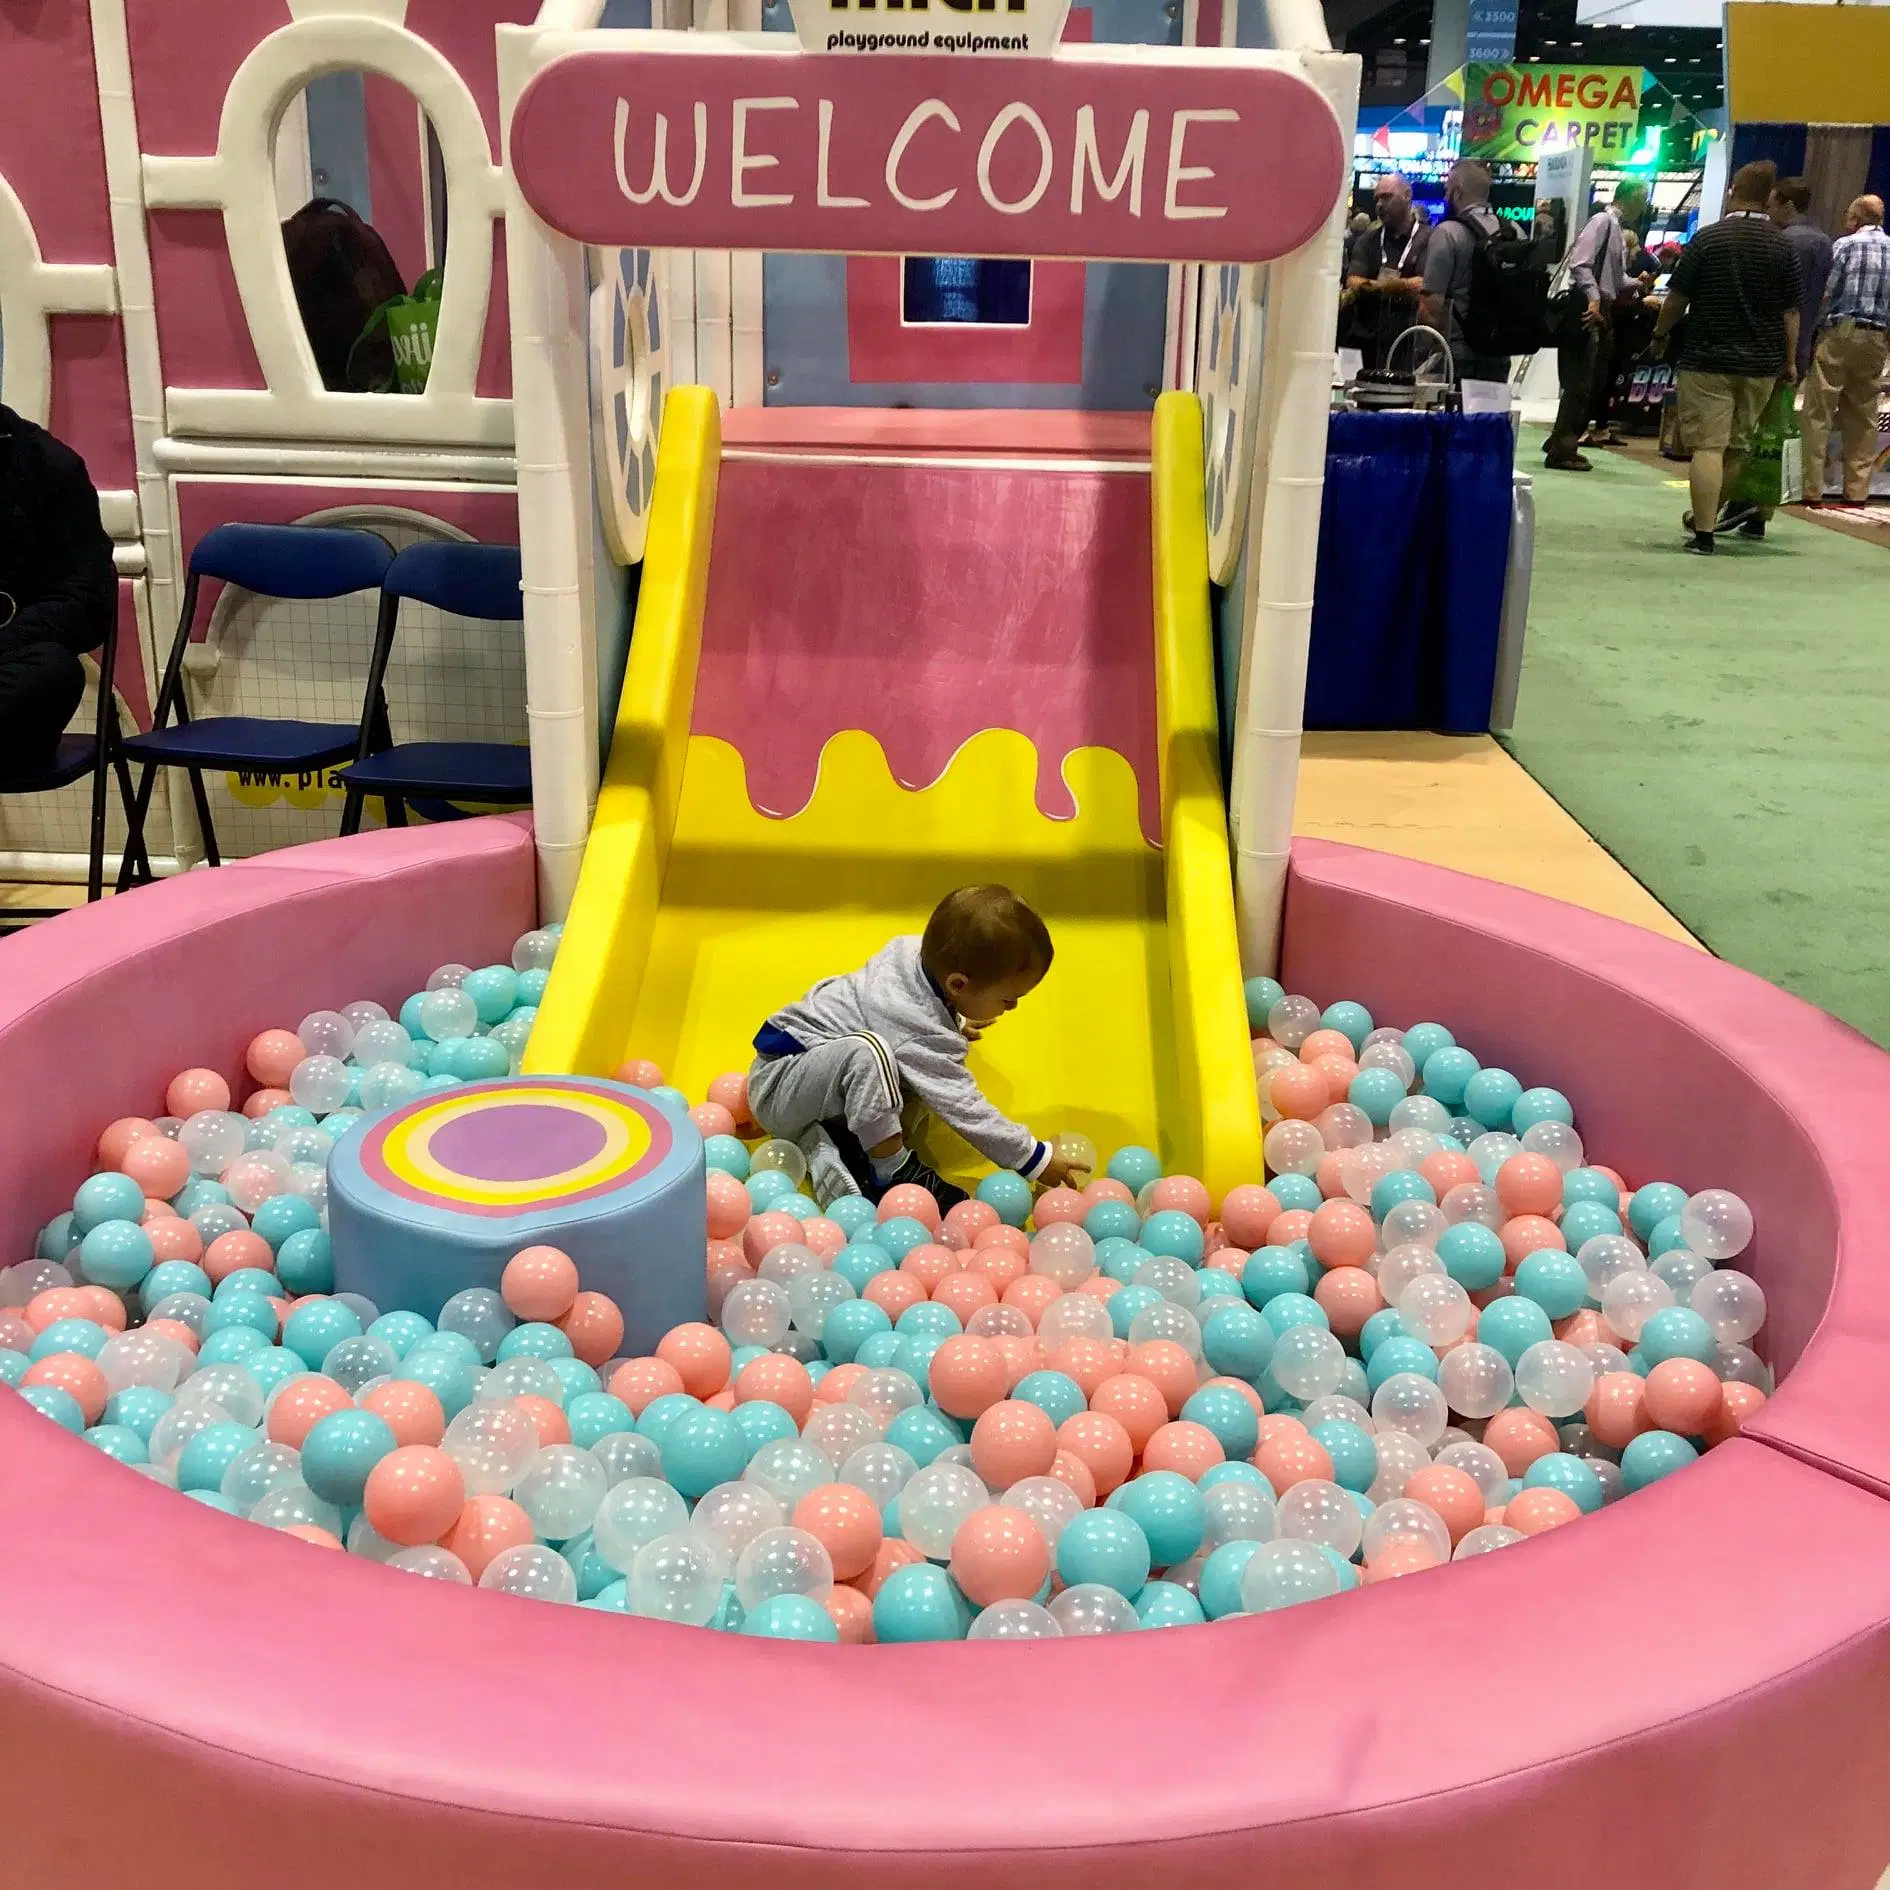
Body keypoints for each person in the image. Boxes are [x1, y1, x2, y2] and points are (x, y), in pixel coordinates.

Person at [745, 884, 1080, 1213]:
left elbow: (900, 1013)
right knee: (869, 1052)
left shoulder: (914, 954)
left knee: (895, 1077)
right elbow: (962, 1104)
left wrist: (953, 1022)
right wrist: (1033, 1157)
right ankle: (891, 1169)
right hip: (780, 1088)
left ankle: (825, 1143)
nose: (1013, 1008)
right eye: (1007, 1001)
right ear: (958, 985)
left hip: (806, 1075)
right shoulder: (916, 1034)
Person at [1651, 161, 1801, 554]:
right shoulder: (1782, 245)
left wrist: (1659, 335)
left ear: (1732, 189)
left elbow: (1677, 298)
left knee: (1708, 447)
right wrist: (1789, 361)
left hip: (1707, 358)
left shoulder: (1708, 239)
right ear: (1770, 196)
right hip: (1761, 363)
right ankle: (1711, 515)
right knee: (1736, 445)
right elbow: (1791, 313)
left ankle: (1703, 533)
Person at [0, 404, 117, 782]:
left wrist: (11, 638)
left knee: (53, 671)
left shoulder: (48, 465)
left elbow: (88, 600)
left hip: (12, 658)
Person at [1544, 180, 1650, 470]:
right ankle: (1563, 447)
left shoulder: (1614, 226)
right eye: (1644, 198)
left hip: (1600, 309)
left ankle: (1561, 440)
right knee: (1581, 381)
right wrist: (1593, 297)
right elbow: (1580, 264)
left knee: (1592, 381)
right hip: (1587, 309)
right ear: (1633, 197)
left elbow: (1612, 280)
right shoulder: (1603, 221)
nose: (1645, 206)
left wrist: (1635, 283)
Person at [1798, 195, 1890, 508]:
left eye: (1848, 214)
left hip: (1841, 331)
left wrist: (1812, 330)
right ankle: (1857, 493)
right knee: (1864, 416)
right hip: (1877, 337)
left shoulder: (1845, 246)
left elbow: (1826, 292)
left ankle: (1812, 489)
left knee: (1818, 411)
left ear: (1858, 218)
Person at [1420, 159, 1513, 388]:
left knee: (1452, 423)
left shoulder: (1447, 233)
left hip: (1457, 354)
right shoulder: (1513, 232)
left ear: (1457, 192)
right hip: (1501, 353)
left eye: (1447, 190)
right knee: (1488, 421)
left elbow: (1430, 305)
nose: (1445, 197)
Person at [1342, 175, 1431, 371]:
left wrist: (1374, 286)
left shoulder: (1429, 238)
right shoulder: (1368, 240)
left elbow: (1424, 285)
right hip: (1367, 342)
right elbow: (1353, 282)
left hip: (1409, 343)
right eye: (1377, 199)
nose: (1380, 205)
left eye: (1387, 197)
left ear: (1407, 196)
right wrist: (1402, 286)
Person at [1768, 177, 1834, 382]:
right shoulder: (1825, 242)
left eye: (1770, 205)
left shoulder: (1782, 240)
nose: (1768, 212)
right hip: (1803, 345)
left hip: (1771, 347)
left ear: (1787, 204)